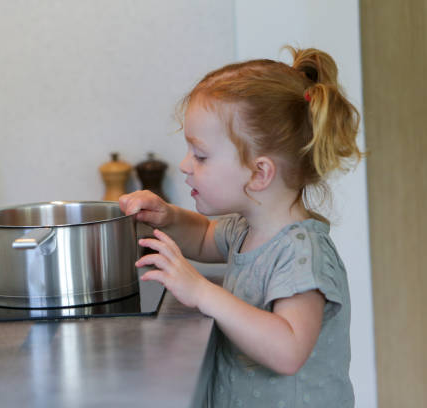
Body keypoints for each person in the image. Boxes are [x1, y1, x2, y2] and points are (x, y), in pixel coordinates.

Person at [119, 46, 362, 407]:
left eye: (200, 155)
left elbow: (288, 349)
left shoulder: (301, 252)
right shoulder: (245, 229)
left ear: (259, 173)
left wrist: (201, 292)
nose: (186, 165)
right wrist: (166, 216)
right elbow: (202, 236)